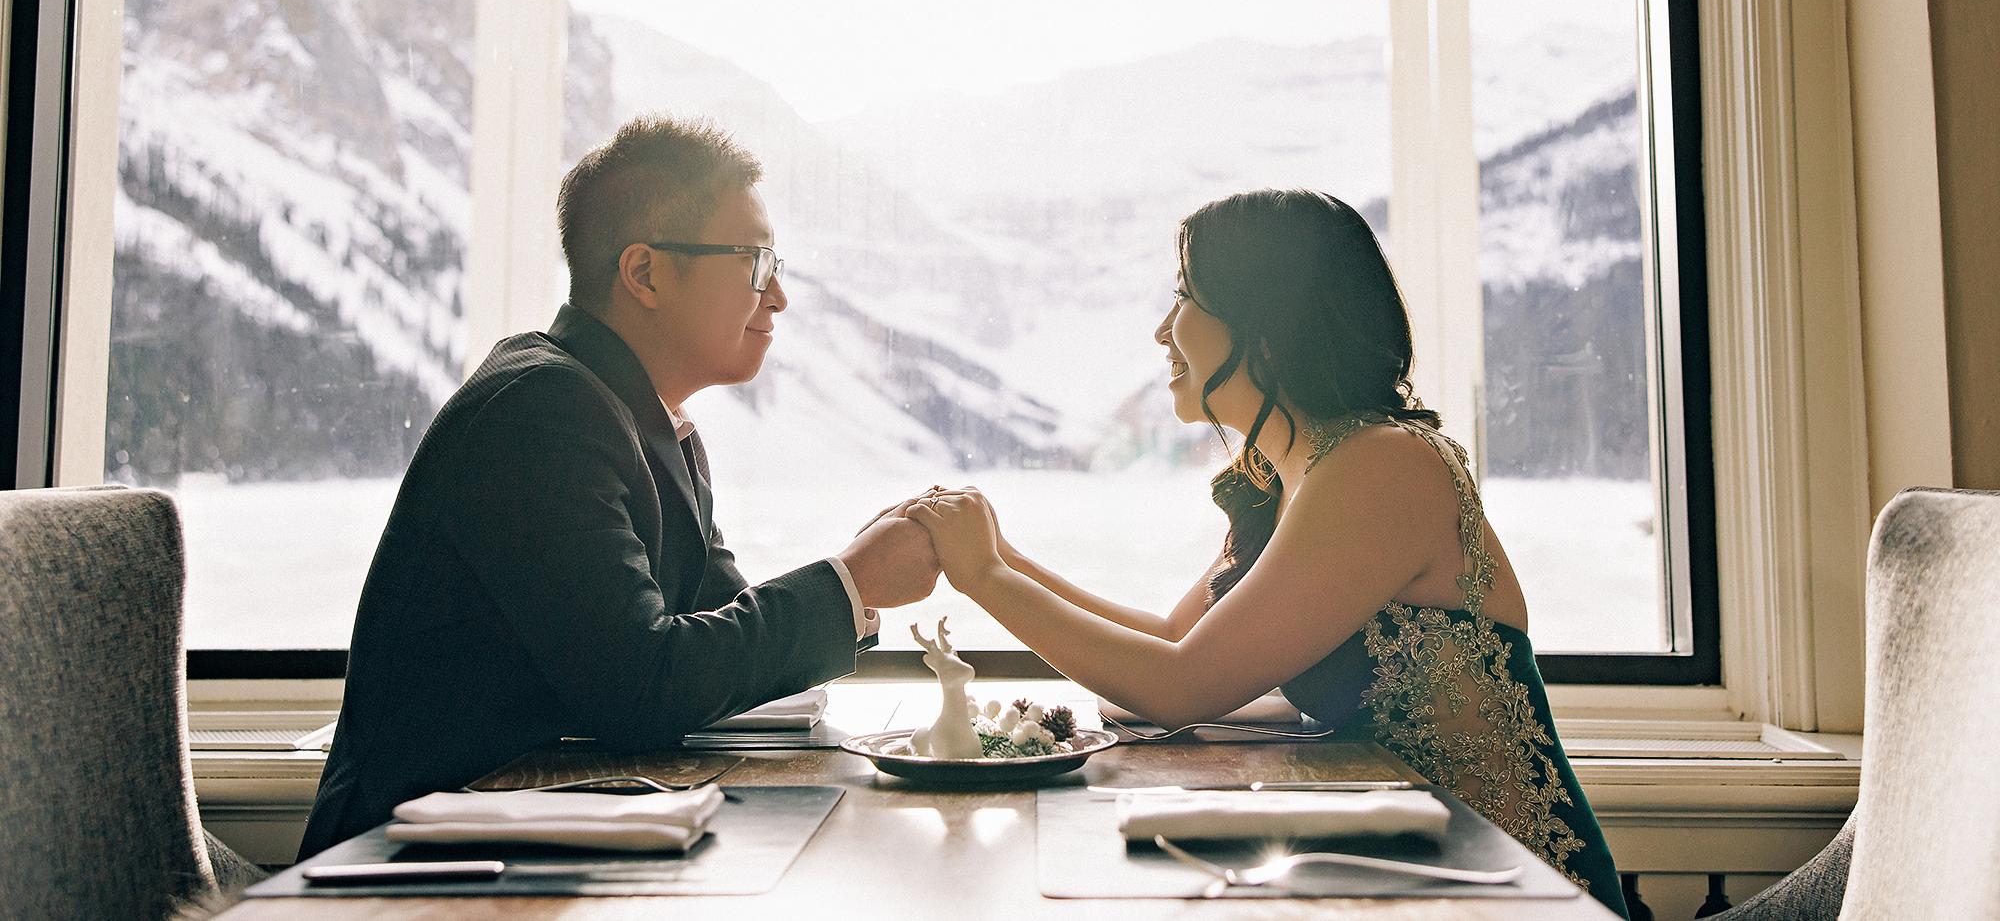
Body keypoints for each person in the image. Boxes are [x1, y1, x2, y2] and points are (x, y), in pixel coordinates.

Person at [905, 189, 1630, 917]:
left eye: (1185, 296)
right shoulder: (1289, 475)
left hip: (1522, 894)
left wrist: (987, 576)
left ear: (1269, 323)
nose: (1163, 330)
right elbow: (1172, 641)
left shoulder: (1386, 464)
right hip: (1417, 880)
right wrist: (1001, 555)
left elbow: (1179, 684)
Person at [300, 116, 941, 858]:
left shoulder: (636, 412)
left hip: (523, 833)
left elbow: (716, 632)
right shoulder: (540, 411)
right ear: (645, 273)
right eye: (757, 263)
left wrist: (852, 579)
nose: (780, 297)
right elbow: (644, 686)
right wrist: (852, 580)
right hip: (414, 865)